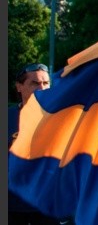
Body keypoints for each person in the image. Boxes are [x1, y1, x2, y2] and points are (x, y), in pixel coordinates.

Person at [8, 63, 61, 225]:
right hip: (12, 205)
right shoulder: (8, 117)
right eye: (35, 83)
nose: (42, 88)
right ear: (19, 87)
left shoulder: (62, 118)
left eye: (46, 83)